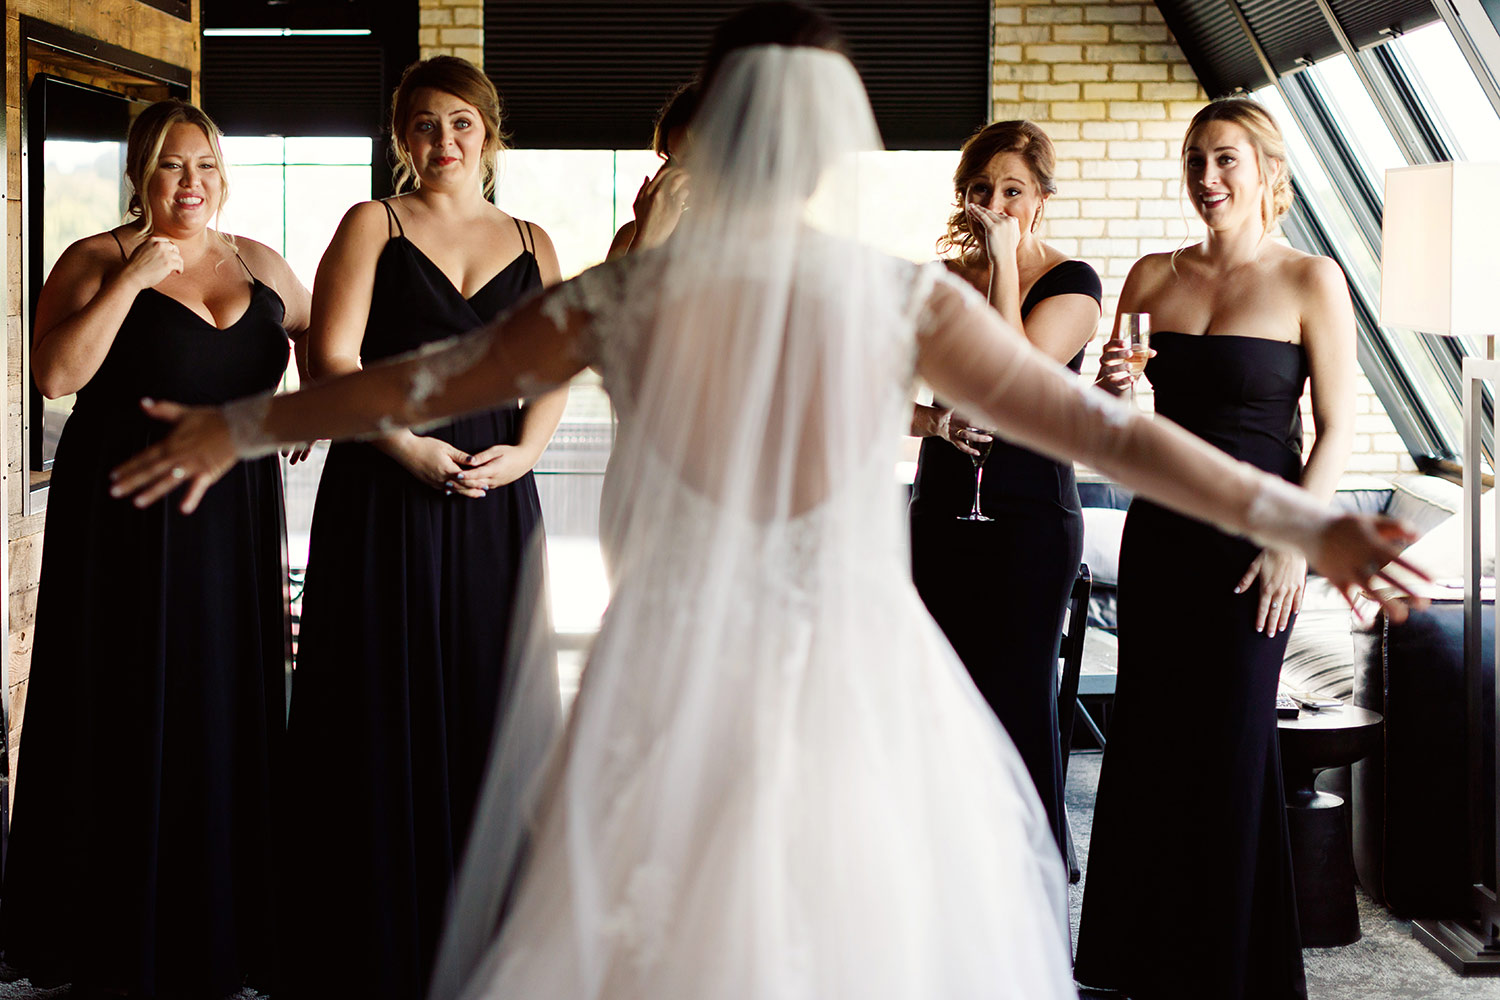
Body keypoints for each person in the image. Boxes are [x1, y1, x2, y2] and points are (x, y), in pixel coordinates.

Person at [110, 7, 1420, 999]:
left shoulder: (632, 297)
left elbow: (419, 381)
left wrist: (243, 424)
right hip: (821, 680)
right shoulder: (893, 297)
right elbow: (1102, 433)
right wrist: (1308, 522)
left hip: (700, 676)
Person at [0, 98, 310, 997]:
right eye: (173, 165)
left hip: (234, 516)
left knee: (226, 699)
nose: (191, 182)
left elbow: (319, 331)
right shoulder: (94, 258)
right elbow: (56, 374)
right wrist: (135, 276)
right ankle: (104, 927)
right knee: (124, 697)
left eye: (205, 164)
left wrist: (303, 399)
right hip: (126, 521)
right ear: (142, 172)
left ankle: (225, 924)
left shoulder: (259, 262)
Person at [275, 55, 566, 1000]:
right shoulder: (374, 223)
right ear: (403, 138)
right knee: (380, 692)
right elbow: (333, 357)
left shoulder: (533, 239)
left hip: (495, 491)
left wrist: (525, 454)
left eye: (461, 123)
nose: (444, 141)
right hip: (385, 485)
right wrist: (406, 450)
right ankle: (374, 936)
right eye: (425, 125)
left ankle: (489, 936)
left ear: (490, 133)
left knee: (490, 690)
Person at [1074, 97, 1357, 999]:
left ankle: (1232, 975)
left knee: (1232, 754)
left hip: (1256, 553)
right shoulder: (1152, 276)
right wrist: (1113, 388)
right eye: (1196, 159)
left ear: (1268, 170)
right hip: (1164, 542)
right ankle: (1140, 966)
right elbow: (1113, 434)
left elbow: (1337, 429)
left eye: (1226, 159)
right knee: (1151, 746)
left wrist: (1294, 542)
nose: (1207, 177)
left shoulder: (1312, 279)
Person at [908, 120, 1101, 859]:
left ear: (1041, 198)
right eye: (981, 189)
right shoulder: (935, 283)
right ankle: (946, 872)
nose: (994, 204)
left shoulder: (1073, 283)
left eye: (1013, 190)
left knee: (1017, 696)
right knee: (939, 695)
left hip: (1030, 521)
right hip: (940, 512)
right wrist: (933, 421)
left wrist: (1002, 264)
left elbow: (1009, 375)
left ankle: (1030, 872)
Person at [606, 81, 700, 261]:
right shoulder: (630, 236)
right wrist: (644, 239)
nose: (675, 175)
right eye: (673, 159)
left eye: (689, 159)